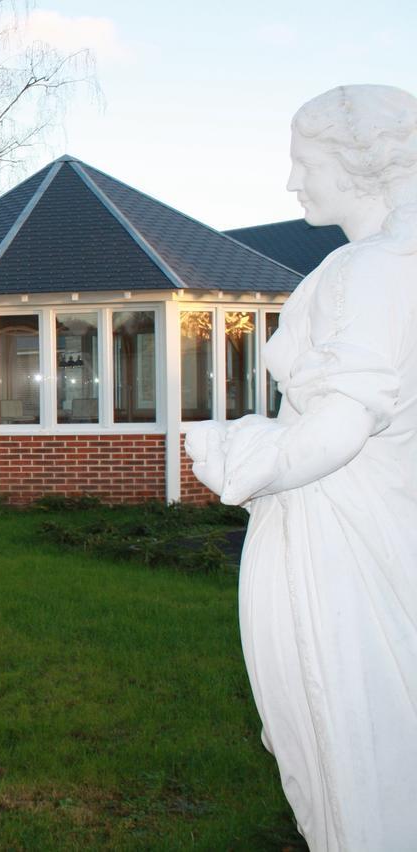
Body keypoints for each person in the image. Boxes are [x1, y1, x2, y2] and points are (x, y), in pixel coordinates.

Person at [186, 85, 417, 851]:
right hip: (357, 525)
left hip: (340, 544)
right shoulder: (378, 268)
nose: (293, 184)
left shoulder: (372, 272)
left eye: (304, 162)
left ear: (357, 166)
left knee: (346, 748)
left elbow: (344, 421)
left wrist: (245, 457)